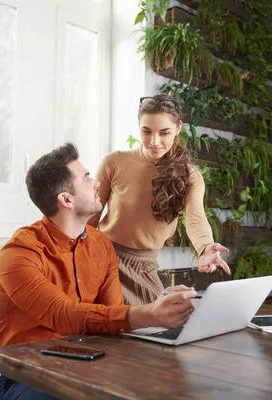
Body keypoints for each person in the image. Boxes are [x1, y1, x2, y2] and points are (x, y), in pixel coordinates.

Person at [0, 143, 197, 400]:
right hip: (28, 375)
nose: (97, 183)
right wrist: (148, 314)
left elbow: (113, 320)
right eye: (87, 178)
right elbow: (63, 314)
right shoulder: (18, 254)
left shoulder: (101, 245)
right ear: (66, 199)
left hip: (92, 365)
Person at [88, 94, 231, 306]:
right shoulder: (114, 162)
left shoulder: (190, 176)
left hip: (144, 268)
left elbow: (195, 218)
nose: (154, 142)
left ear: (178, 128)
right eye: (146, 131)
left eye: (164, 133)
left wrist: (205, 247)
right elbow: (89, 216)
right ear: (139, 127)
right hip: (103, 257)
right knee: (102, 328)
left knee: (151, 331)